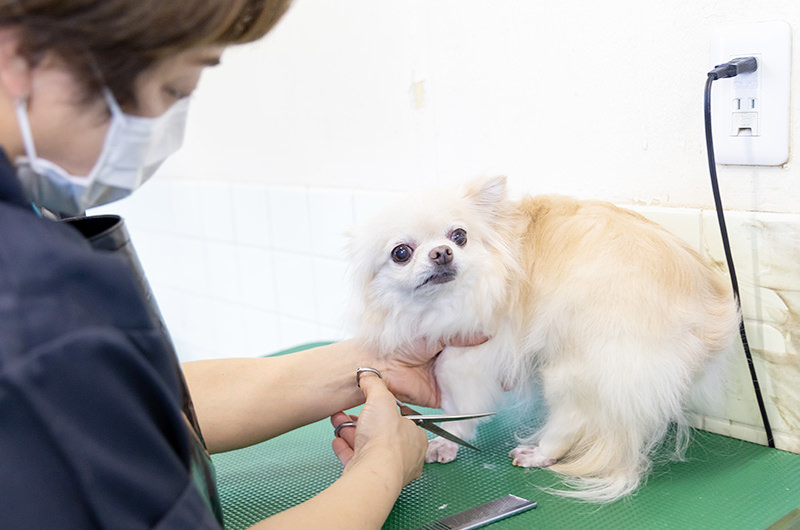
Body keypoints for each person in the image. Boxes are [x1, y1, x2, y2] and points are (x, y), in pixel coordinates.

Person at [0, 2, 485, 528]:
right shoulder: (26, 293)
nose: (167, 131)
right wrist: (382, 469)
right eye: (172, 91)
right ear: (20, 57)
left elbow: (114, 404)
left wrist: (380, 361)